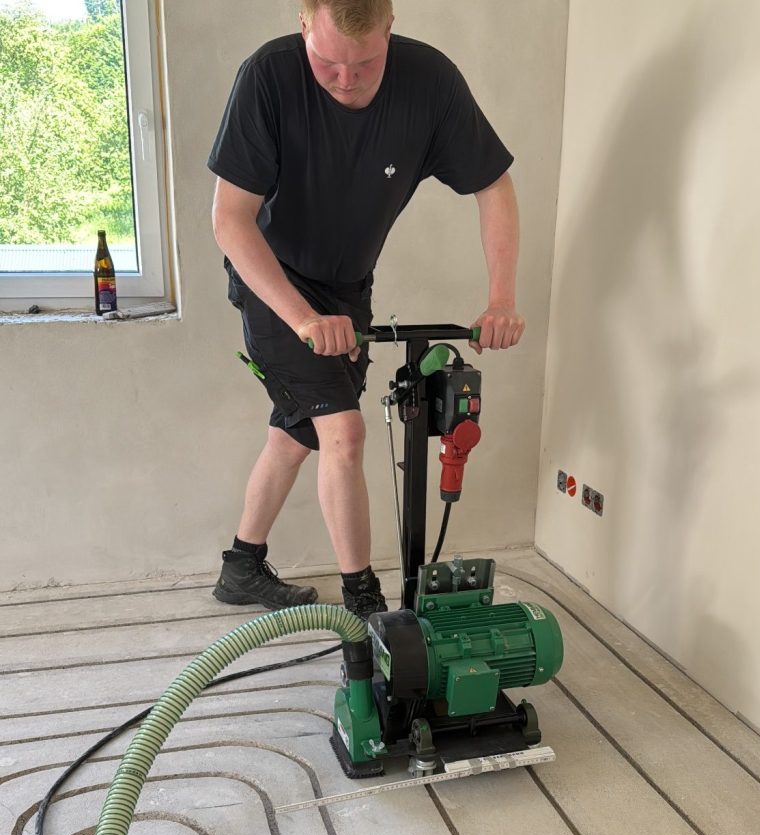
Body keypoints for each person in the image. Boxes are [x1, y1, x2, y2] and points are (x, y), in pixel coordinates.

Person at [208, 0, 525, 618]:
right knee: (343, 431)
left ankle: (241, 567)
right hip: (274, 280)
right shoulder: (268, 77)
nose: (346, 81)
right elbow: (229, 220)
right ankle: (363, 605)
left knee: (299, 429)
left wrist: (502, 299)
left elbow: (493, 185)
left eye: (366, 64)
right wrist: (303, 318)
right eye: (327, 63)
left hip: (348, 287)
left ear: (390, 28)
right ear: (303, 24)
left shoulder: (430, 83)